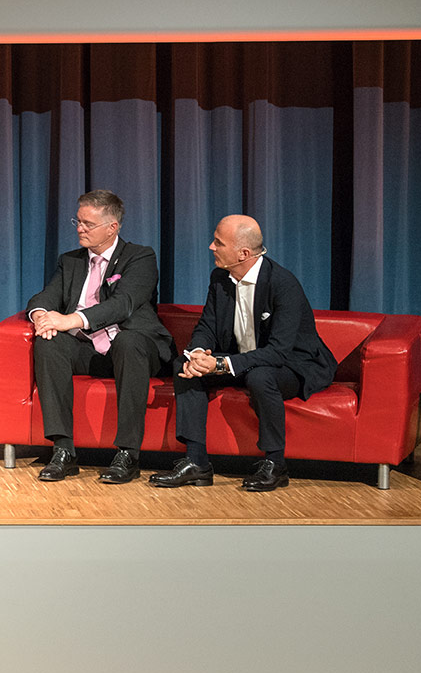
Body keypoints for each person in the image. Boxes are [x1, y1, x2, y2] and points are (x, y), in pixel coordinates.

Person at [151, 215, 337, 491]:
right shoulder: (220, 278)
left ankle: (276, 463)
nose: (211, 247)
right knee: (185, 365)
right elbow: (208, 326)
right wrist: (198, 354)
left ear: (244, 253)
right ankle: (196, 462)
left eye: (218, 242)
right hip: (242, 361)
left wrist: (222, 364)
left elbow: (278, 352)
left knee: (261, 378)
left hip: (293, 364)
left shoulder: (283, 284)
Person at [26, 190, 173, 484]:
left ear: (112, 227)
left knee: (128, 342)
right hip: (88, 350)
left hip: (134, 348)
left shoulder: (140, 256)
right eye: (77, 222)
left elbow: (124, 303)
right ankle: (63, 451)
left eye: (88, 224)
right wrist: (41, 316)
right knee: (49, 341)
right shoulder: (70, 261)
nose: (80, 229)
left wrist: (70, 319)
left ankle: (128, 454)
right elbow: (45, 297)